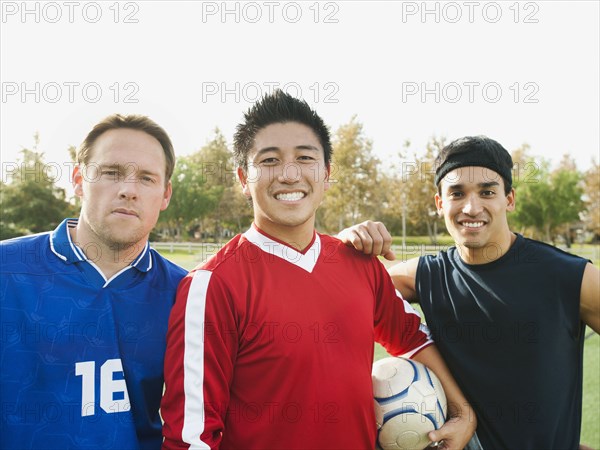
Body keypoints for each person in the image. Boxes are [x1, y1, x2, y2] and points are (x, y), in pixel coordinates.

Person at [160, 90, 476, 450]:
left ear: (326, 174)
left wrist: (462, 413)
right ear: (242, 179)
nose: (290, 174)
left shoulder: (359, 263)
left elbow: (414, 337)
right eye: (269, 160)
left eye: (305, 158)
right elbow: (191, 439)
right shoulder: (211, 284)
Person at [339, 136, 600, 450]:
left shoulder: (569, 277)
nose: (471, 207)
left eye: (487, 192)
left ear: (509, 199)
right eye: (457, 193)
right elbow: (341, 291)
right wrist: (344, 245)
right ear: (440, 204)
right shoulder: (424, 275)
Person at [0, 114, 187, 450]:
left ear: (165, 195)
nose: (129, 190)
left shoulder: (185, 292)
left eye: (146, 178)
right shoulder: (7, 270)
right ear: (77, 179)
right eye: (111, 172)